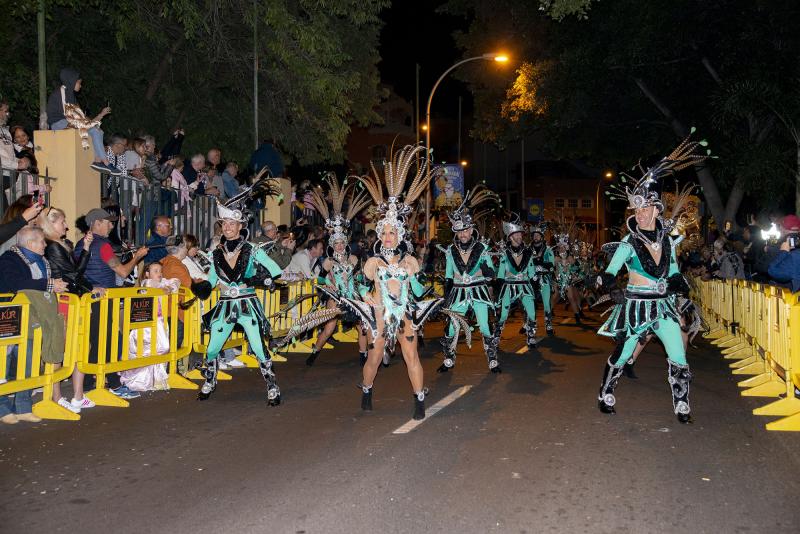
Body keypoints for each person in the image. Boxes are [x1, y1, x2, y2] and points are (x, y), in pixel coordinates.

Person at [595, 137, 706, 424]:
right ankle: (606, 390)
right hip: (635, 308)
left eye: (645, 208)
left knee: (678, 354)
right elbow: (609, 272)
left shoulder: (669, 242)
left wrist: (678, 283)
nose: (640, 213)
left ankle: (681, 402)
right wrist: (613, 288)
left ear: (657, 209)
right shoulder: (627, 243)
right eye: (637, 210)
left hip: (663, 307)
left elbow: (673, 272)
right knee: (622, 354)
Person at [190, 172, 284, 403]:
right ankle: (210, 380)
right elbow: (212, 280)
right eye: (225, 224)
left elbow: (275, 269)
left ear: (240, 225)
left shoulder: (253, 249)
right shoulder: (215, 253)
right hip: (224, 307)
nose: (228, 227)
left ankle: (272, 385)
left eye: (232, 223)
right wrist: (201, 288)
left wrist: (258, 279)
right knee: (212, 349)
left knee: (257, 347)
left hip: (247, 304)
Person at [74, 208, 149, 399]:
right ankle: (113, 384)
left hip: (87, 299)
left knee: (98, 341)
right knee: (110, 342)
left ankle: (92, 383)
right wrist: (138, 257)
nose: (111, 225)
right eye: (108, 222)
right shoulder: (103, 245)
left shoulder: (79, 244)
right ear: (97, 223)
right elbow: (123, 272)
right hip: (103, 300)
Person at [0, 227, 68, 424]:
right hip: (9, 317)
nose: (45, 245)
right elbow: (15, 282)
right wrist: (49, 285)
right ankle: (3, 408)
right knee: (3, 365)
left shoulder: (41, 261)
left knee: (28, 361)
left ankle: (23, 406)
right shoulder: (9, 259)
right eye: (41, 242)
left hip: (33, 319)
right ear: (30, 243)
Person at [303, 174, 370, 367]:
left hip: (353, 295)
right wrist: (329, 285)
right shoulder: (328, 262)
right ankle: (315, 352)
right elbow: (320, 280)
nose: (340, 246)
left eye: (342, 243)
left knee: (362, 327)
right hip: (336, 297)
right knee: (330, 326)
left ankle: (363, 356)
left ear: (345, 244)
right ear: (332, 244)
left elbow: (359, 277)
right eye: (336, 243)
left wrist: (362, 290)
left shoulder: (354, 258)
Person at [41, 207, 101, 413]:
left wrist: (85, 248)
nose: (66, 225)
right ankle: (56, 396)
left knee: (80, 346)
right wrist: (92, 287)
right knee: (60, 347)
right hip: (63, 301)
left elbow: (75, 272)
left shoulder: (61, 245)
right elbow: (73, 274)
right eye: (62, 222)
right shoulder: (52, 246)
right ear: (51, 223)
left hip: (73, 298)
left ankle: (77, 396)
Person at [437, 186, 499, 374]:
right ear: (456, 233)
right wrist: (447, 297)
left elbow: (491, 274)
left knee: (485, 324)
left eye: (466, 230)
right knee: (452, 327)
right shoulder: (450, 251)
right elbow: (448, 276)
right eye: (460, 231)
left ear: (471, 230)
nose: (463, 234)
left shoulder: (482, 248)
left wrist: (487, 270)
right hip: (458, 293)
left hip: (478, 291)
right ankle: (449, 357)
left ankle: (492, 358)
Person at [46, 69, 119, 175]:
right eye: (79, 82)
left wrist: (101, 114)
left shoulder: (72, 97)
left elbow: (84, 120)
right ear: (71, 81)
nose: (80, 86)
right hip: (59, 123)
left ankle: (98, 161)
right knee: (93, 128)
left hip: (69, 122)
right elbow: (69, 116)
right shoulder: (61, 92)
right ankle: (107, 163)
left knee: (98, 131)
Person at [120, 262, 178, 391]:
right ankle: (139, 378)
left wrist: (169, 287)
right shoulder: (147, 283)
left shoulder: (161, 282)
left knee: (157, 349)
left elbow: (175, 281)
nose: (159, 273)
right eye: (155, 271)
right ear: (147, 274)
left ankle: (156, 379)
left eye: (160, 270)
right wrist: (167, 287)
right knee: (156, 348)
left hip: (159, 321)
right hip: (147, 323)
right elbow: (158, 286)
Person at [493, 213, 539, 352]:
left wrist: (536, 285)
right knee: (503, 314)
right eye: (516, 234)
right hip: (508, 286)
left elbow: (532, 273)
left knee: (531, 312)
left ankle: (530, 336)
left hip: (525, 286)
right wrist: (497, 295)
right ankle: (496, 337)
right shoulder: (504, 253)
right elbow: (501, 275)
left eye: (521, 234)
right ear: (510, 236)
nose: (519, 237)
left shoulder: (528, 252)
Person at [530, 222, 556, 335]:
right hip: (531, 281)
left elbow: (552, 265)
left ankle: (549, 325)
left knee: (546, 303)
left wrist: (542, 266)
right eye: (534, 235)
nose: (535, 237)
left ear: (542, 236)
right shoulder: (527, 249)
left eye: (538, 235)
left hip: (544, 280)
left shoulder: (548, 250)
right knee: (529, 303)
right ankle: (528, 324)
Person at [767, 214, 800, 292]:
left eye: (780, 226)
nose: (780, 229)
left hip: (790, 299)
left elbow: (772, 271)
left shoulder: (794, 255)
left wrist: (783, 252)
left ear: (783, 228)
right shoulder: (795, 246)